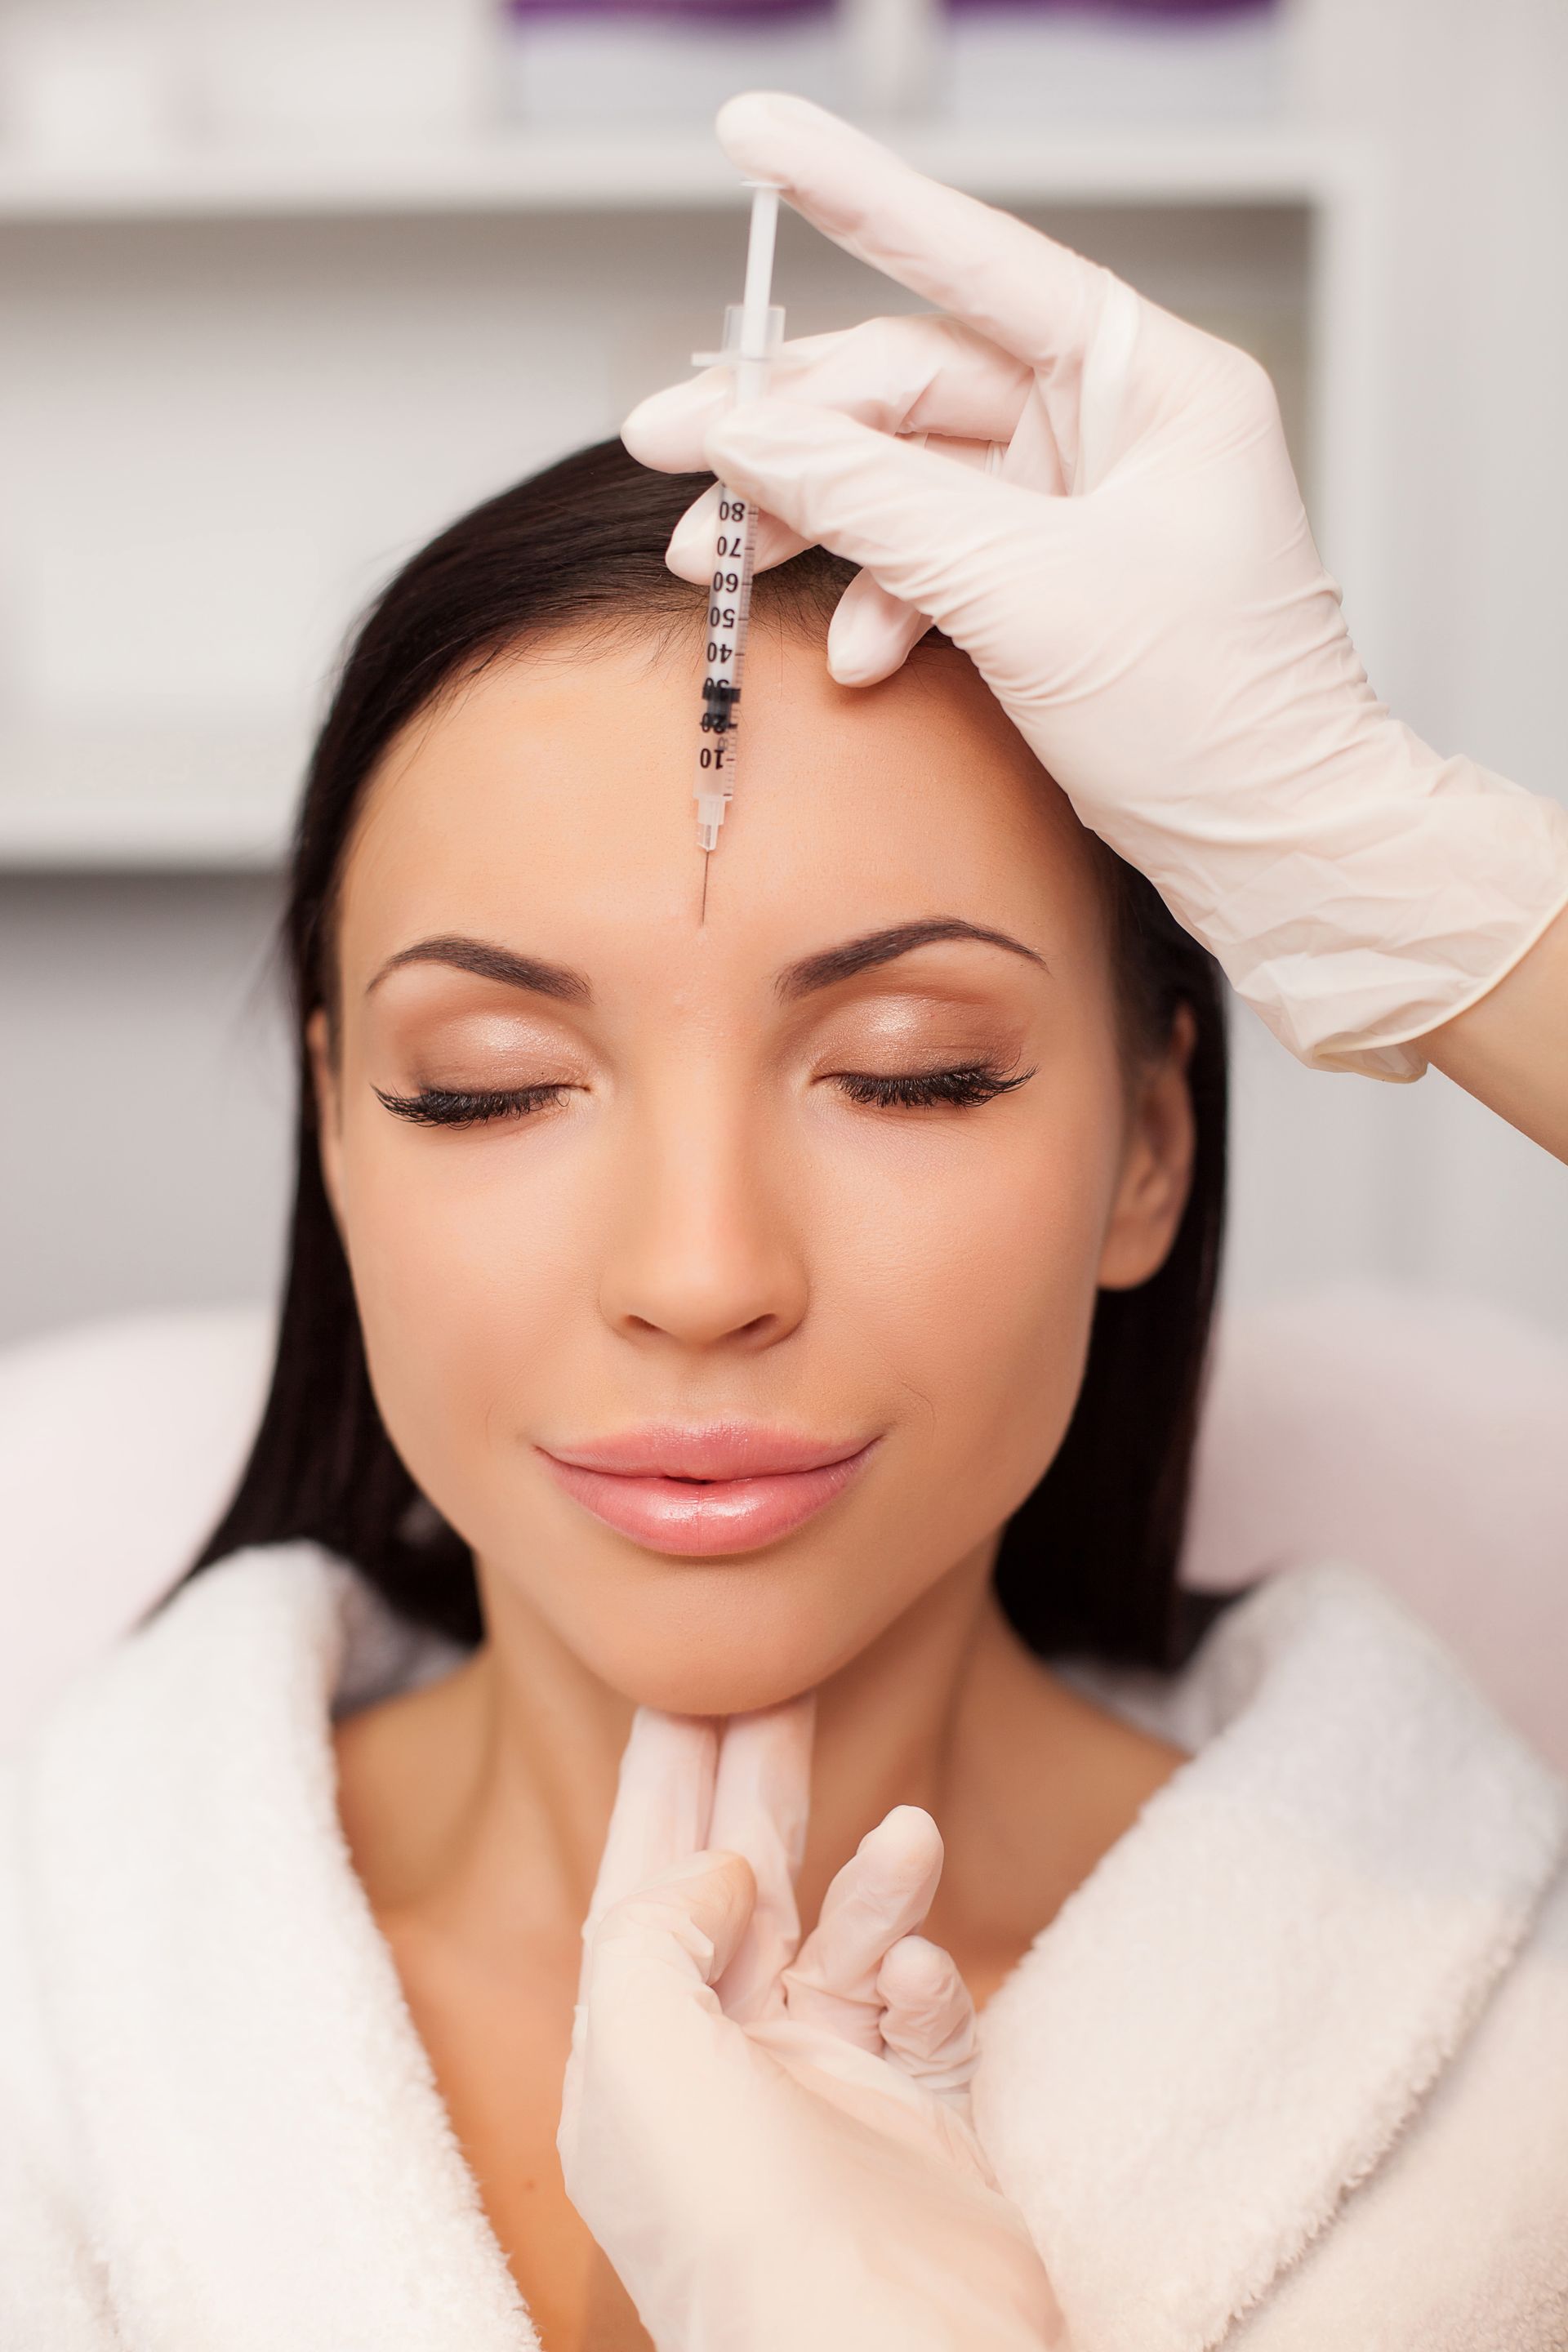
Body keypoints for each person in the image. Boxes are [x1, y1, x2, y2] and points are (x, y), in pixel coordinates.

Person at [2, 97, 1565, 2352]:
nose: (705, 1270)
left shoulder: (1496, 2091)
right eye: (492, 1088)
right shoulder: (68, 1994)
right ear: (338, 1137)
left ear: (1150, 1148)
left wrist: (1426, 881)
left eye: (912, 1070)